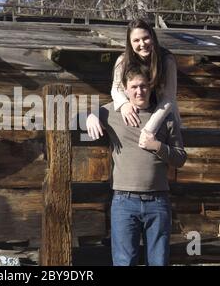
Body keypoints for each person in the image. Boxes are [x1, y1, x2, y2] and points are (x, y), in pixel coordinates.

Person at [88, 64, 187, 266]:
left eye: (143, 86)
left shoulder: (165, 117)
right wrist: (90, 116)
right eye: (133, 87)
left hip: (158, 200)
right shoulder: (112, 112)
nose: (139, 91)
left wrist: (157, 146)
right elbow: (77, 119)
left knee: (159, 262)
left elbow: (180, 158)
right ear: (125, 89)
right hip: (124, 201)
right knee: (125, 262)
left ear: (150, 87)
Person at [86, 19, 181, 148]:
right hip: (136, 114)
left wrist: (149, 129)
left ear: (152, 37)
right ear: (130, 43)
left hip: (162, 117)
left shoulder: (166, 60)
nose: (142, 43)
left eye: (145, 38)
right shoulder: (123, 61)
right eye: (136, 40)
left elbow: (168, 98)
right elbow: (116, 88)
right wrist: (124, 104)